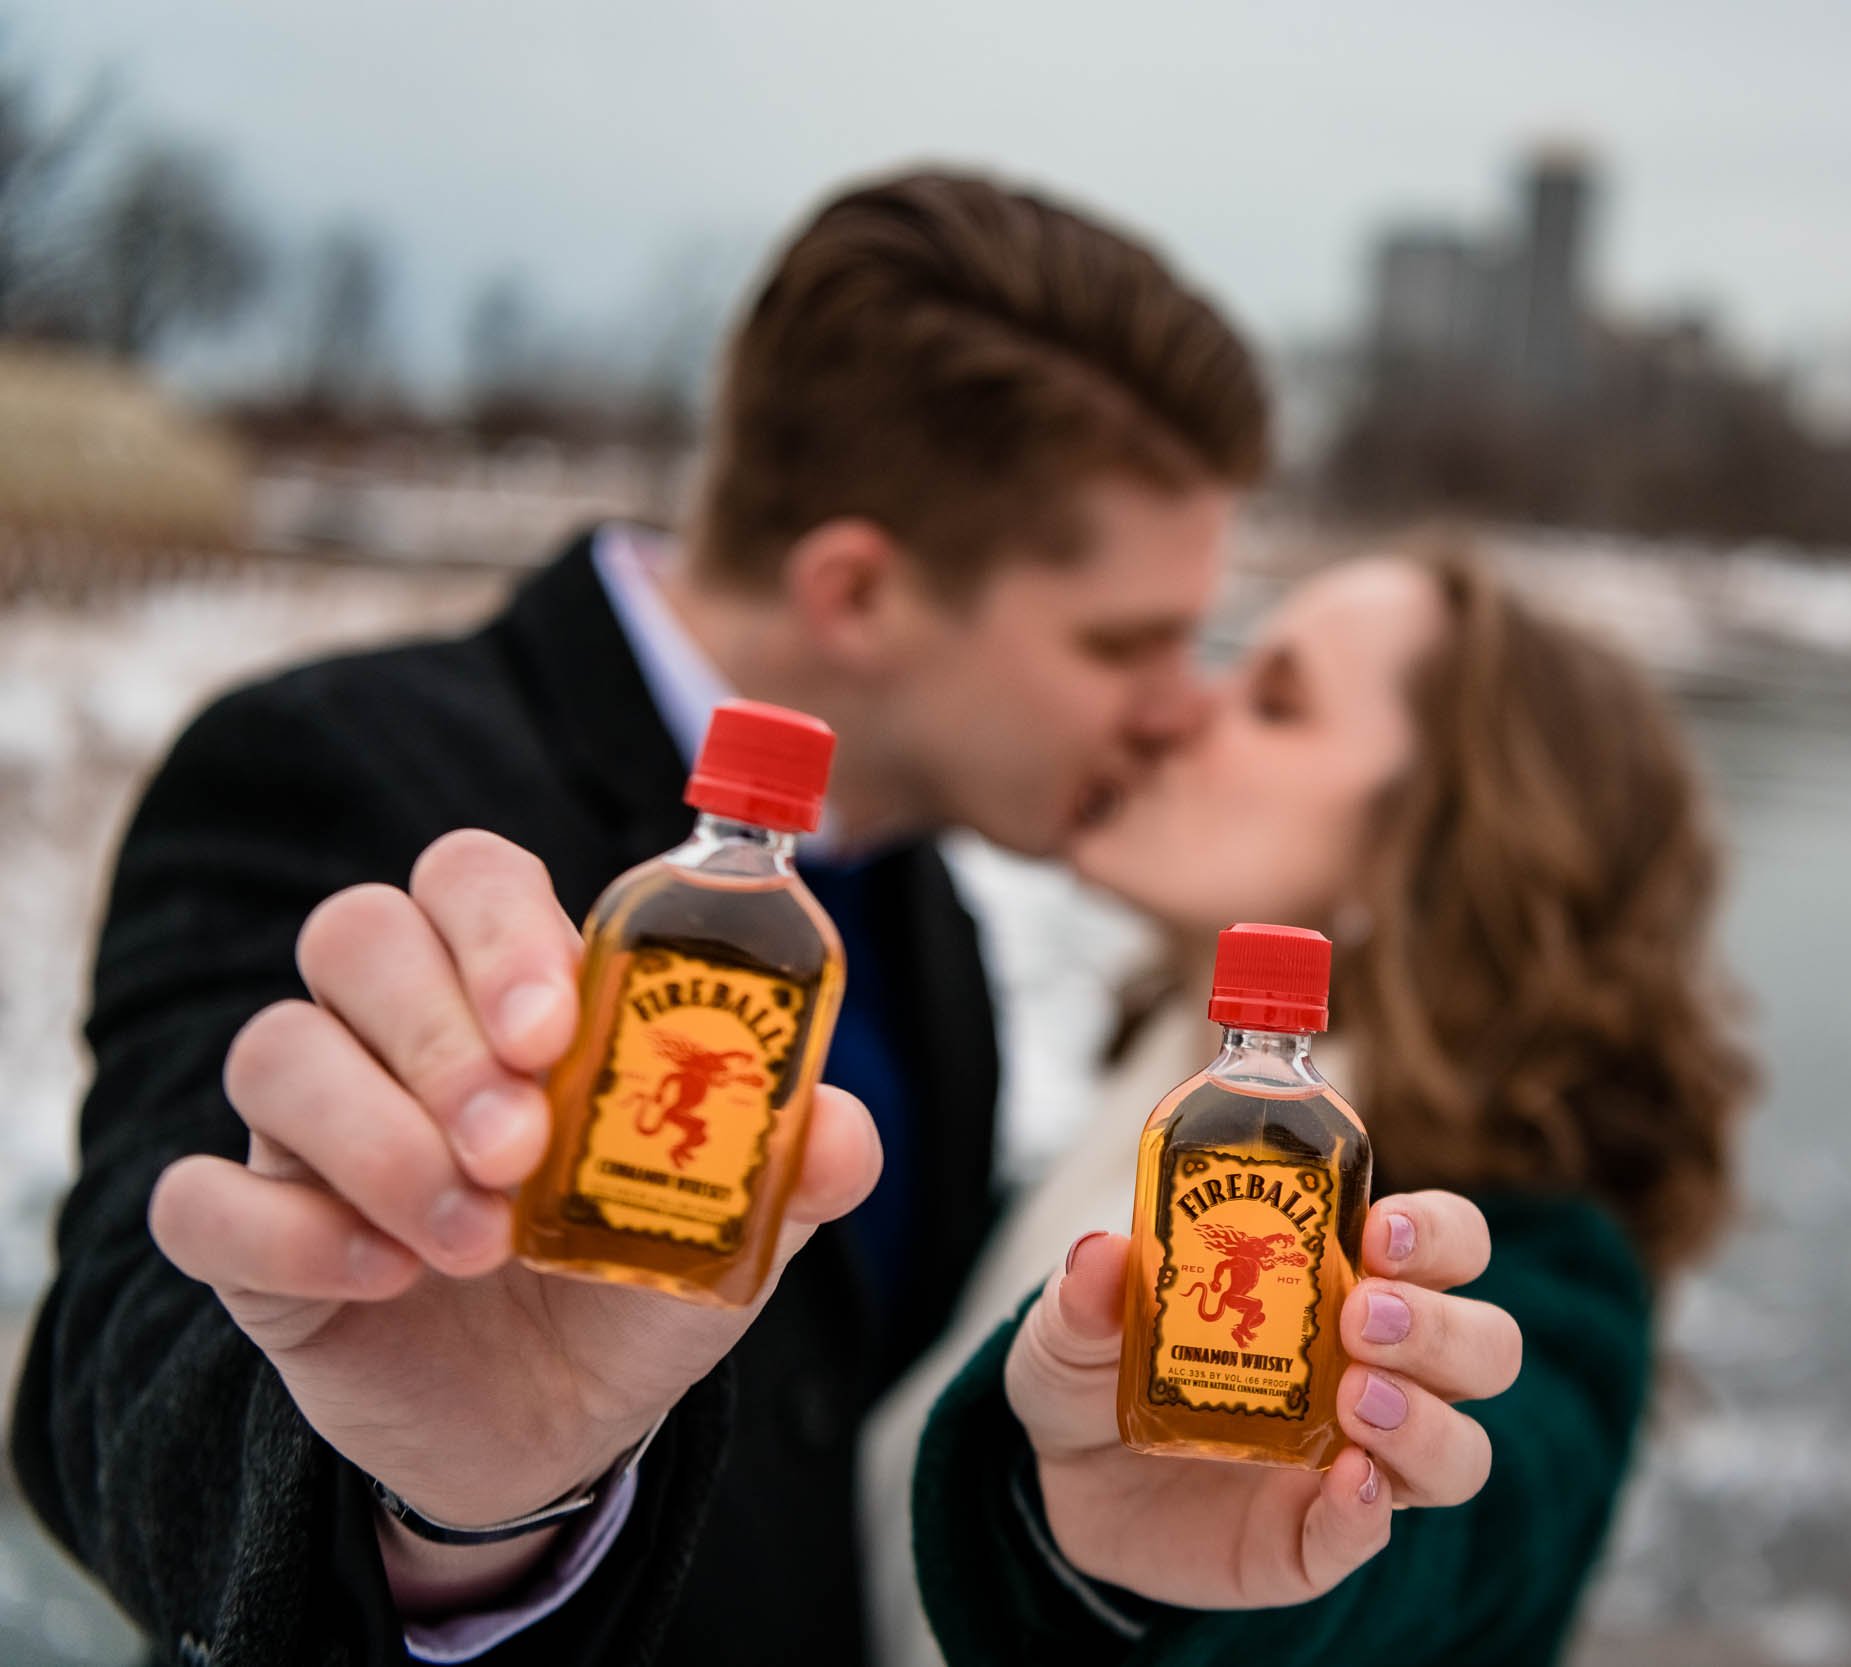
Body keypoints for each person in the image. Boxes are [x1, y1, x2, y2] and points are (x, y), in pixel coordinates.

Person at [11, 168, 1315, 1666]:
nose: (1186, 704)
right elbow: (127, 1366)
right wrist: (443, 1502)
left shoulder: (926, 912)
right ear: (859, 590)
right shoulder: (343, 768)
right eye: (1127, 641)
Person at [870, 541, 1757, 1664]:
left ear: (1420, 856)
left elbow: (1435, 1565)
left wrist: (1175, 1570)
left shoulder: (1540, 1275)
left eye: (1274, 703)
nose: (1180, 709)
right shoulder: (1140, 1108)